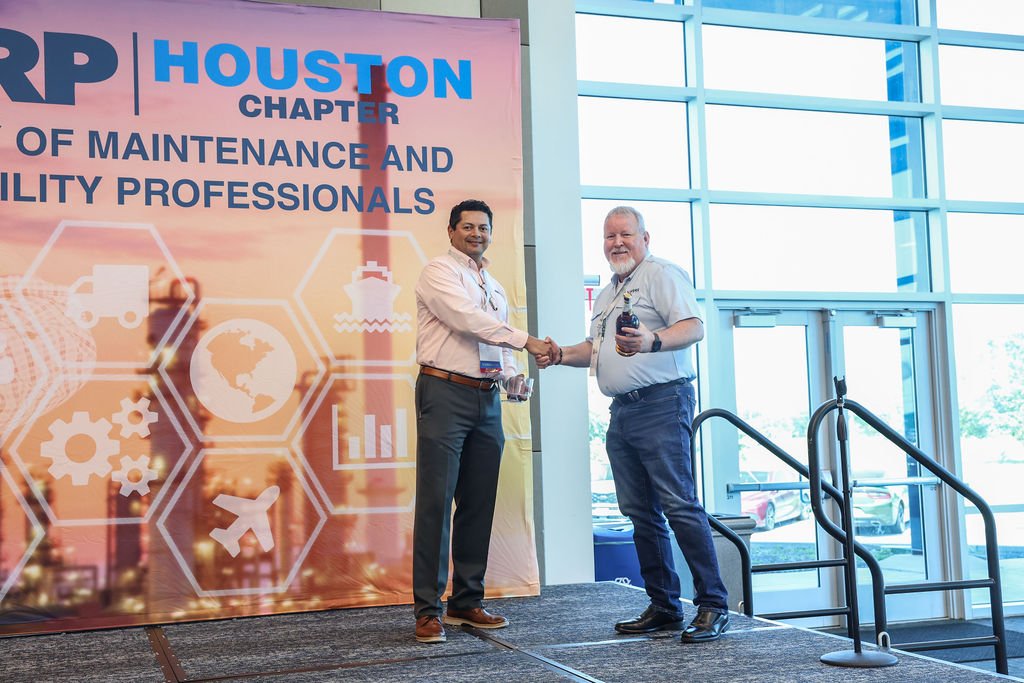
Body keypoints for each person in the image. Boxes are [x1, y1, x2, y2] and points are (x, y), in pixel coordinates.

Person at [537, 206, 729, 643]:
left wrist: (652, 341)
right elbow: (596, 348)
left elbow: (694, 327)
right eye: (609, 236)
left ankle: (714, 605)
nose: (617, 243)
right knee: (640, 513)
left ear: (646, 238)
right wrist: (559, 354)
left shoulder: (661, 274)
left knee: (679, 506)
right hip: (623, 411)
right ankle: (664, 605)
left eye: (625, 234)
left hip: (662, 404)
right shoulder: (608, 292)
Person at [412, 198, 551, 644]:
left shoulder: (494, 284)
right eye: (468, 226)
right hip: (444, 391)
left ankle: (465, 602)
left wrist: (513, 376)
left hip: (486, 398)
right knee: (436, 501)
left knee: (478, 501)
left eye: (484, 227)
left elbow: (497, 345)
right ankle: (427, 610)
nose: (477, 233)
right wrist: (527, 339)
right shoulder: (438, 271)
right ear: (451, 231)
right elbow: (466, 320)